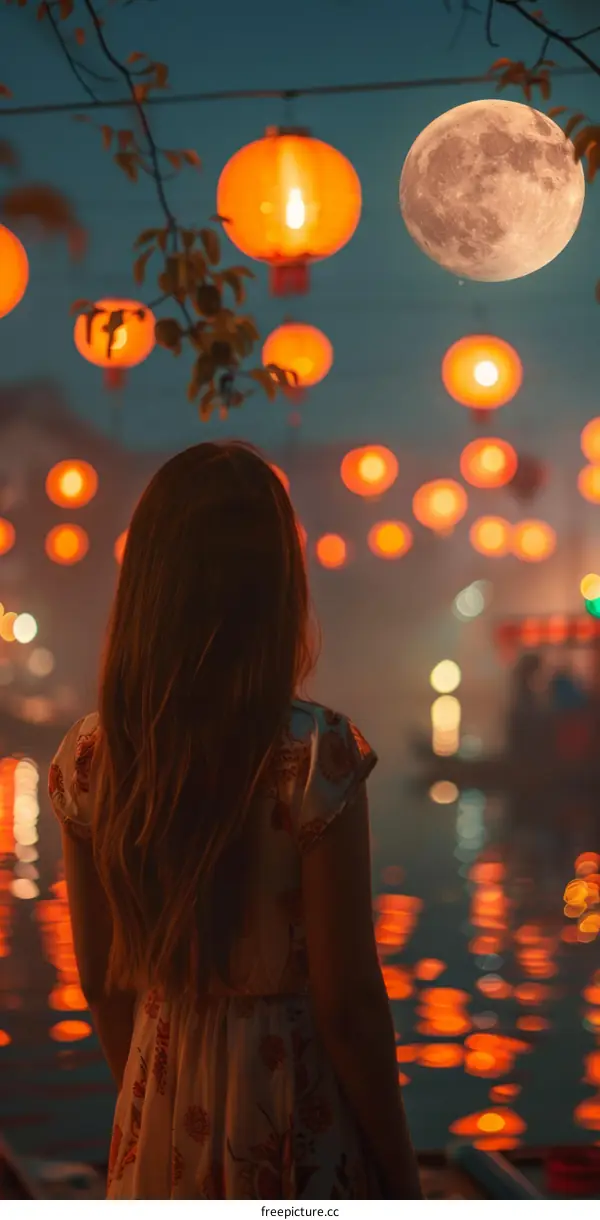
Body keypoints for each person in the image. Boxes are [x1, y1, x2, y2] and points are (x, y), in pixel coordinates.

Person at [48, 441, 421, 1201]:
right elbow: (347, 1003)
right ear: (276, 585)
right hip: (289, 1099)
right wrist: (402, 1178)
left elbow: (100, 979)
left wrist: (154, 1103)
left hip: (156, 1087)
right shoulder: (315, 753)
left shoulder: (91, 756)